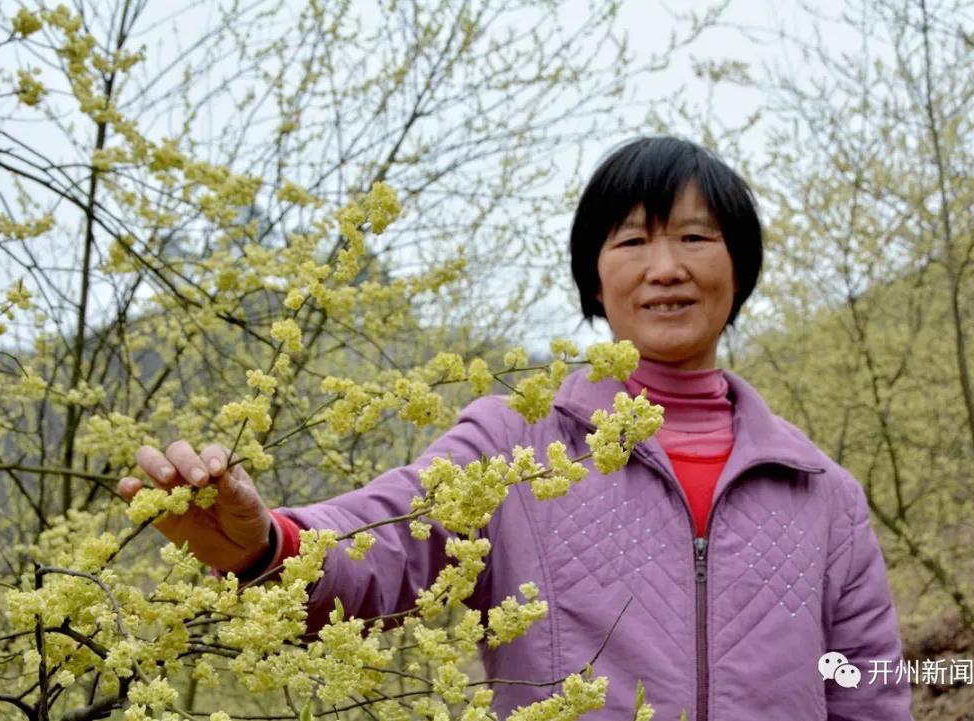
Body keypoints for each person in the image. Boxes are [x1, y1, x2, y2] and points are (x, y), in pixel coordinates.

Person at [119, 136, 912, 720]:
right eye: (632, 239)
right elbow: (384, 541)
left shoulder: (823, 495)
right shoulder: (515, 444)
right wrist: (269, 549)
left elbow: (867, 691)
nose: (665, 265)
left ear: (738, 268)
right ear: (594, 280)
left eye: (696, 236)